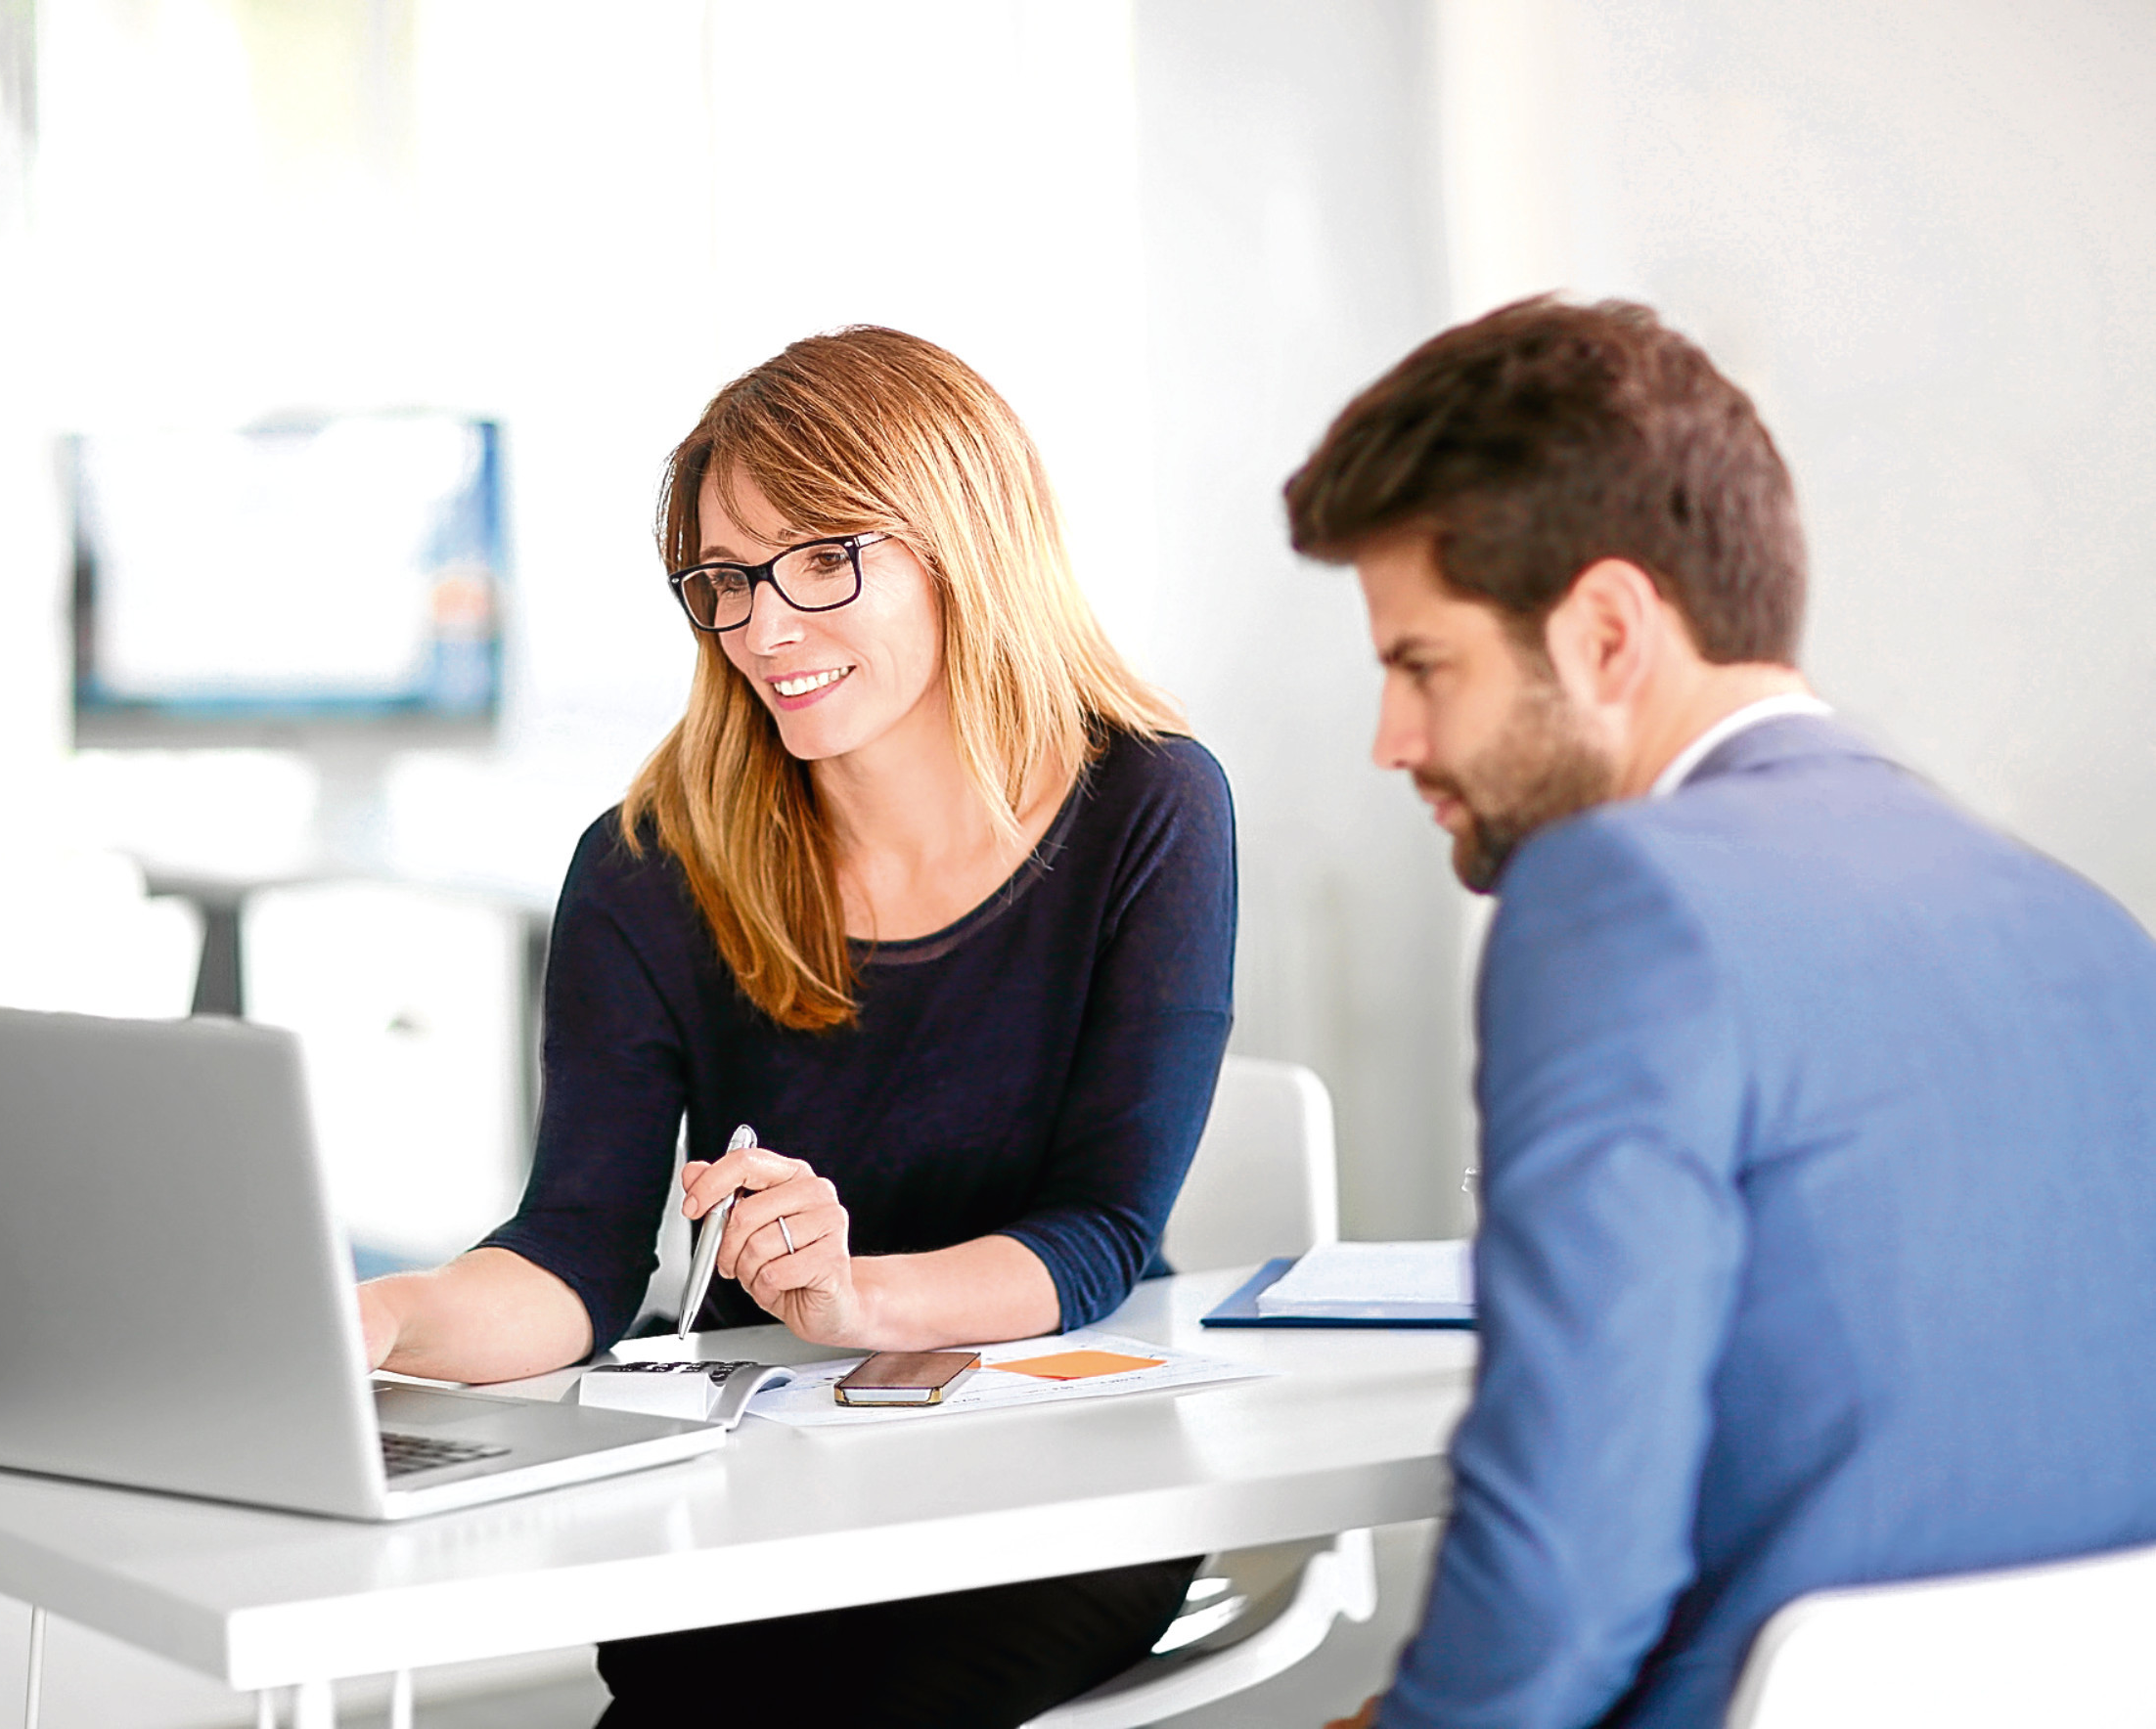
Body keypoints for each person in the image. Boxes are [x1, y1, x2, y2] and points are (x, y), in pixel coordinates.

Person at [1282, 297, 2156, 1728]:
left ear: (1607, 633)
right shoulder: (2081, 919)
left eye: (1421, 665)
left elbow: (1569, 1571)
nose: (1393, 741)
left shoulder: (1616, 894)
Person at [357, 326, 1236, 1727]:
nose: (763, 628)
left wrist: (852, 1297)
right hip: (750, 1484)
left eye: (822, 561)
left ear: (964, 540)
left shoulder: (1148, 807)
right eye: (724, 580)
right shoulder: (650, 862)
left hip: (1056, 1478)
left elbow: (1101, 1230)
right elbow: (576, 1255)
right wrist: (376, 1317)